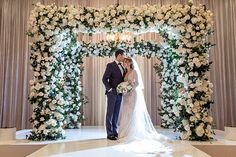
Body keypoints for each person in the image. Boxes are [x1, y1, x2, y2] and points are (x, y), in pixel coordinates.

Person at [118, 57, 170, 147]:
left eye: (125, 62)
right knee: (126, 112)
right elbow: (124, 83)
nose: (124, 63)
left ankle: (132, 132)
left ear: (130, 63)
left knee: (132, 112)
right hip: (126, 95)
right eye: (124, 62)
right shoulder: (125, 72)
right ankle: (124, 132)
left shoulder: (134, 71)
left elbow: (137, 83)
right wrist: (124, 89)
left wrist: (130, 88)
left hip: (133, 94)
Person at [102, 49, 125, 140]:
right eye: (124, 55)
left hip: (120, 93)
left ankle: (115, 132)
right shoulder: (110, 65)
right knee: (110, 113)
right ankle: (109, 133)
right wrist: (110, 89)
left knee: (116, 114)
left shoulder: (123, 67)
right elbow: (104, 79)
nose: (124, 57)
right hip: (112, 93)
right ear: (119, 55)